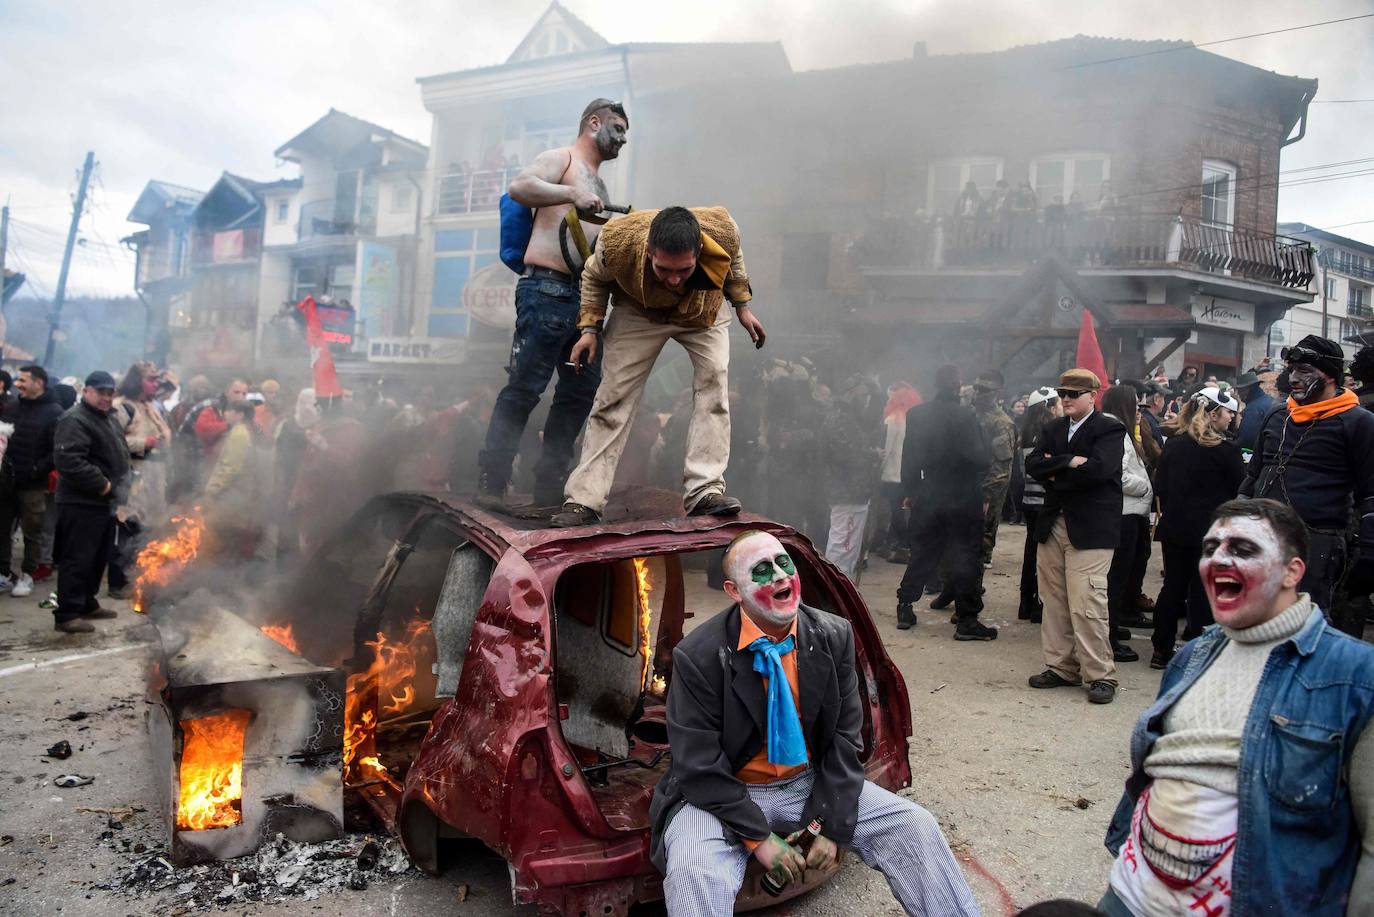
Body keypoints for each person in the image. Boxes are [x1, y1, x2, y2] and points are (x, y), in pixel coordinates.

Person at [650, 529, 979, 916]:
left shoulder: (833, 634)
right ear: (734, 591)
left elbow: (844, 737)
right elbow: (698, 765)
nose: (778, 575)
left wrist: (833, 823)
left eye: (783, 562)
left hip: (806, 781)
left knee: (915, 826)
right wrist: (759, 839)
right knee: (692, 867)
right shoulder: (698, 655)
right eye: (760, 570)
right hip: (724, 791)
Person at [1101, 498, 1374, 917]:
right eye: (1210, 549)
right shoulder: (1193, 655)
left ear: (1292, 571)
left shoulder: (1356, 676)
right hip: (1131, 894)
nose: (1217, 560)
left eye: (1243, 549)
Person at [552, 205, 766, 525]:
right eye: (664, 269)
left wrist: (743, 307)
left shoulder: (724, 230)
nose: (674, 279)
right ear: (650, 250)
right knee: (612, 398)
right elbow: (593, 278)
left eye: (684, 269)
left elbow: (734, 261)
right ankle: (584, 499)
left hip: (702, 313)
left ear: (699, 251)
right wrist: (589, 330)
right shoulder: (617, 241)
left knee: (714, 387)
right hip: (637, 312)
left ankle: (705, 490)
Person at [477, 99, 630, 511]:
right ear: (592, 123)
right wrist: (569, 192)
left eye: (625, 133)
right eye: (616, 128)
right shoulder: (560, 159)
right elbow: (520, 187)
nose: (622, 139)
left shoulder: (599, 185)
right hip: (544, 290)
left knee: (579, 393)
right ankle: (493, 478)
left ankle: (550, 484)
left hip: (584, 302)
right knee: (525, 387)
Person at [1240, 334, 1374, 630]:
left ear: (1329, 376)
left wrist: (1370, 551)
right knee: (1256, 621)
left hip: (1318, 543)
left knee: (1304, 627)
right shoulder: (1278, 414)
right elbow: (1253, 476)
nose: (1293, 378)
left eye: (1303, 371)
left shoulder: (1358, 422)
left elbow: (1371, 492)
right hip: (1264, 538)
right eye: (1291, 369)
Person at [1025, 368, 1124, 704]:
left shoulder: (1109, 428)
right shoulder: (1052, 427)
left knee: (1087, 603)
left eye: (1073, 394)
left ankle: (1100, 675)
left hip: (1092, 529)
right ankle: (1061, 667)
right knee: (1053, 601)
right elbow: (1034, 465)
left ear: (1092, 395)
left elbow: (1100, 471)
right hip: (1053, 524)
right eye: (1062, 393)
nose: (1065, 399)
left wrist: (1057, 470)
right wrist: (1070, 462)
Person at [895, 364, 997, 640]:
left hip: (929, 493)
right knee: (966, 556)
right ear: (957, 385)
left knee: (923, 552)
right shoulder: (966, 416)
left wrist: (911, 491)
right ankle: (967, 620)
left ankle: (905, 606)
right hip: (963, 495)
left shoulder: (917, 415)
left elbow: (909, 457)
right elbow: (981, 459)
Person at [1150, 386, 1245, 670]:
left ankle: (1161, 649)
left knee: (1173, 587)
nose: (1231, 418)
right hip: (1211, 532)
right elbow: (1237, 491)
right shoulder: (1227, 450)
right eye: (1228, 412)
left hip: (1176, 527)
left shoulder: (1174, 445)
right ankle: (1199, 649)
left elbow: (1161, 487)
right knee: (1203, 590)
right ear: (1213, 413)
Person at [51, 372, 129, 634]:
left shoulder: (108, 418)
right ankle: (67, 613)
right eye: (101, 392)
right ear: (86, 391)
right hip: (80, 502)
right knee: (77, 557)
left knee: (97, 557)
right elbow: (69, 460)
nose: (107, 397)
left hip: (103, 503)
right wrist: (103, 484)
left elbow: (119, 454)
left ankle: (86, 602)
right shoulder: (75, 418)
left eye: (110, 392)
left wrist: (120, 492)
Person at [0, 364, 65, 596]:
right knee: (2, 529)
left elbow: (56, 451)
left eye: (23, 380)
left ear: (39, 383)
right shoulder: (13, 406)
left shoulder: (54, 412)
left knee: (32, 531)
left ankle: (28, 574)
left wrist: (36, 469)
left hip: (33, 484)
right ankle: (4, 573)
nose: (17, 384)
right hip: (7, 482)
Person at [109, 362, 173, 598]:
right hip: (133, 477)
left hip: (154, 476)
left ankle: (138, 577)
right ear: (137, 380)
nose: (155, 384)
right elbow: (112, 441)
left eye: (156, 379)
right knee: (127, 528)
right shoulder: (123, 407)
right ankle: (118, 582)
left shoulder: (151, 407)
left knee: (147, 529)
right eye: (150, 379)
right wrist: (143, 444)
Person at [1100, 384, 1151, 664]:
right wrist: (1144, 486)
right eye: (1136, 404)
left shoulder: (1116, 427)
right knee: (1115, 579)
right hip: (1124, 512)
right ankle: (1108, 638)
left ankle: (1113, 625)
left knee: (1120, 576)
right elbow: (1116, 473)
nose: (1140, 410)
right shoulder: (1115, 430)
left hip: (1128, 512)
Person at [820, 376, 882, 581]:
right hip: (846, 490)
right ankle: (836, 589)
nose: (866, 399)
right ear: (851, 393)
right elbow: (845, 453)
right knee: (843, 545)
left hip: (853, 490)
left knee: (848, 545)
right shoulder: (840, 418)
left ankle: (841, 587)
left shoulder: (848, 417)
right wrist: (872, 454)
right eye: (863, 394)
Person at [1018, 387, 1061, 621]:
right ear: (1050, 407)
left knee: (1030, 552)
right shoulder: (1049, 435)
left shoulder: (1026, 433)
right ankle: (1037, 605)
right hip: (1045, 501)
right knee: (1044, 557)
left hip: (1029, 501)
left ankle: (1026, 602)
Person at [202, 400, 262, 559]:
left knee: (226, 535)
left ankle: (227, 571)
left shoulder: (239, 434)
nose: (225, 414)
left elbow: (230, 467)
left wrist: (212, 489)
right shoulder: (246, 431)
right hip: (240, 492)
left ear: (240, 414)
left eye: (229, 411)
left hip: (233, 494)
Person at [973, 370, 1017, 570]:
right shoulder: (971, 414)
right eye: (976, 388)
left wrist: (986, 497)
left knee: (982, 536)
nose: (978, 393)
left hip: (986, 487)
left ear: (998, 392)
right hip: (968, 485)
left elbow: (1001, 469)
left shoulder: (1002, 423)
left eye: (984, 390)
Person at [878, 381, 922, 562]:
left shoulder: (893, 419)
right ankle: (896, 543)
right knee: (903, 510)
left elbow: (885, 450)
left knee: (895, 511)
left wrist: (877, 470)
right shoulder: (914, 420)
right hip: (908, 473)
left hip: (891, 474)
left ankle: (904, 545)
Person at [1232, 370, 1275, 452]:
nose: (1238, 394)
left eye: (1240, 390)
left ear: (1249, 389)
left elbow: (1247, 439)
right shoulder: (1269, 400)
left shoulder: (1253, 409)